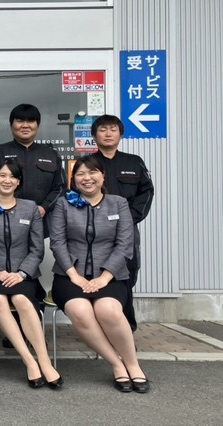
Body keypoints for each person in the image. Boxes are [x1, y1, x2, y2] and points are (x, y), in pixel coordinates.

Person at [49, 156, 149, 393]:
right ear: (74, 179)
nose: (87, 178)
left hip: (111, 276)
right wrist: (74, 276)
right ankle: (116, 364)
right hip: (70, 277)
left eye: (92, 172)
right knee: (80, 311)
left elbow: (124, 244)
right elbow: (57, 242)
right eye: (81, 174)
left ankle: (133, 364)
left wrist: (104, 278)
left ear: (103, 176)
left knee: (108, 310)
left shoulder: (119, 203)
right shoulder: (64, 204)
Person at [0, 159, 62, 389]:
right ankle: (29, 361)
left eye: (12, 176)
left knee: (21, 299)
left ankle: (45, 362)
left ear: (18, 182)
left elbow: (37, 249)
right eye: (2, 175)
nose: (7, 180)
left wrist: (21, 273)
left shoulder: (30, 208)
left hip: (23, 276)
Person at [0, 103, 65, 348]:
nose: (25, 125)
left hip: (41, 225)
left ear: (37, 125)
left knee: (32, 275)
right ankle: (15, 333)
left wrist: (43, 208)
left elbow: (60, 188)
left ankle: (32, 331)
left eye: (30, 121)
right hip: (4, 229)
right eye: (20, 121)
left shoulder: (50, 154)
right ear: (12, 125)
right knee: (9, 272)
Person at [89, 114, 154, 331]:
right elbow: (77, 193)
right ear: (94, 135)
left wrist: (130, 218)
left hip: (126, 229)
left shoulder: (134, 162)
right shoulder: (88, 163)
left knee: (127, 274)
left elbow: (146, 192)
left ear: (121, 134)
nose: (108, 134)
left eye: (113, 129)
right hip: (96, 231)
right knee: (98, 272)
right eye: (102, 130)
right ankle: (101, 325)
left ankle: (126, 327)